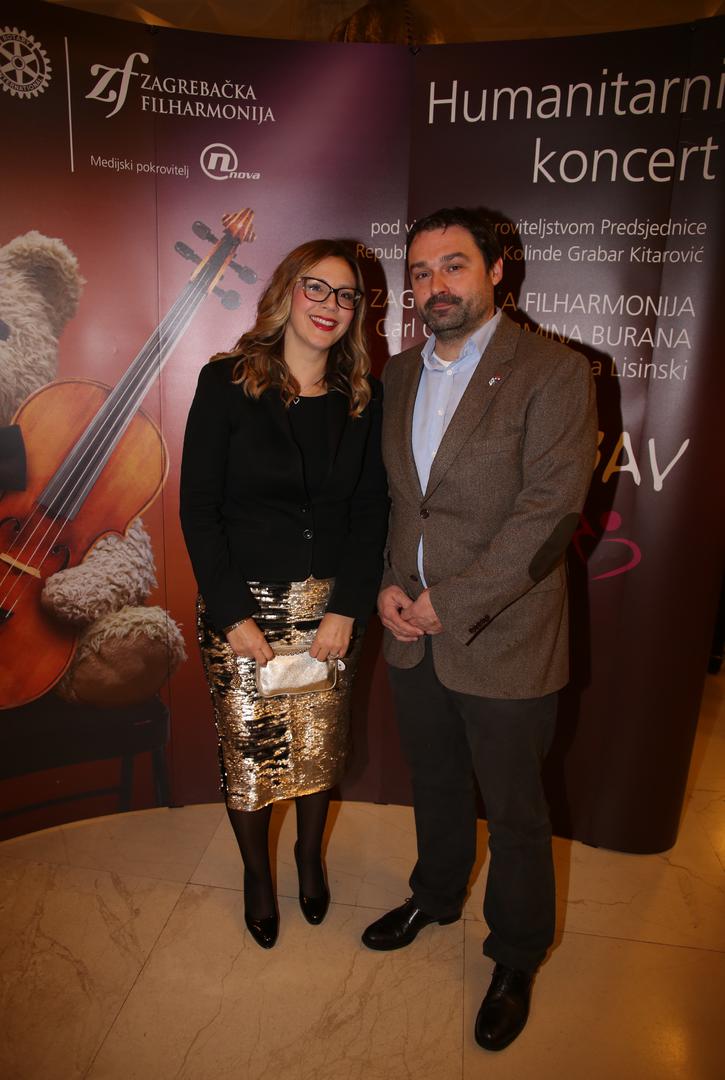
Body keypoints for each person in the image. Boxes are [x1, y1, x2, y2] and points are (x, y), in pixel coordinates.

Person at [361, 207, 597, 1050]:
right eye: (421, 272)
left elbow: (548, 514)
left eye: (453, 266)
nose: (435, 286)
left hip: (504, 638)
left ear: (496, 271)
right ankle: (433, 895)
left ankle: (516, 954)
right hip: (410, 631)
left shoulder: (552, 372)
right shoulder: (395, 375)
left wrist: (451, 601)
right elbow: (395, 503)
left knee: (515, 809)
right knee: (435, 783)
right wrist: (387, 586)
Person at [180, 239, 388, 950]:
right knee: (251, 754)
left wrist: (346, 608)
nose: (331, 305)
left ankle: (307, 857)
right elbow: (198, 507)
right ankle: (257, 876)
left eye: (346, 295)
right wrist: (232, 614)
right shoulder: (227, 382)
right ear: (286, 293)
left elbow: (370, 512)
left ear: (356, 312)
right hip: (243, 610)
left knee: (318, 748)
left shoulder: (362, 398)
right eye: (316, 288)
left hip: (328, 612)